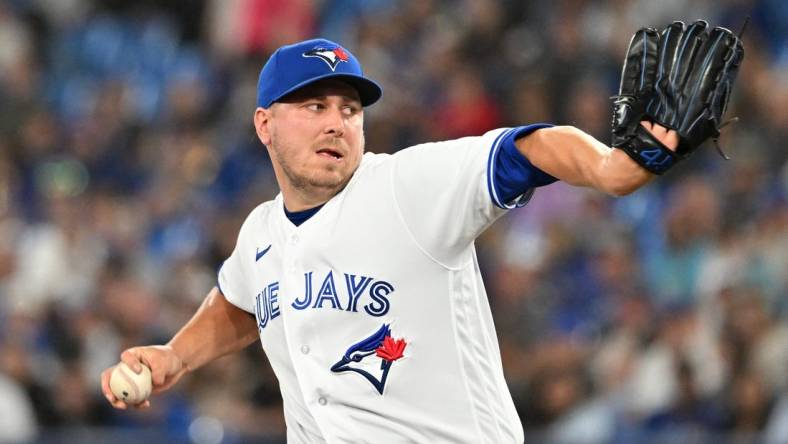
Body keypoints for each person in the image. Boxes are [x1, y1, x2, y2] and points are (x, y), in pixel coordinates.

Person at [101, 38, 679, 442]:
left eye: (350, 109)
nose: (337, 122)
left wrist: (607, 168)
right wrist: (176, 354)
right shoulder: (260, 232)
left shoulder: (406, 186)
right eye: (314, 106)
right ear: (264, 124)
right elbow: (240, 303)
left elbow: (525, 149)